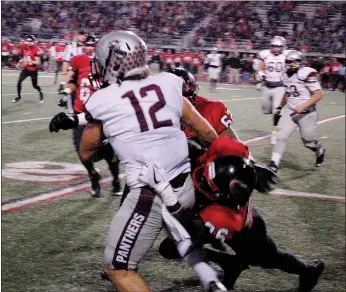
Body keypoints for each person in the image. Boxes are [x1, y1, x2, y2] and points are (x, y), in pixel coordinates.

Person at [78, 30, 227, 292]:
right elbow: (207, 134)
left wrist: (115, 140)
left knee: (118, 269)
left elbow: (86, 152)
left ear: (114, 63)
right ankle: (210, 275)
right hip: (186, 186)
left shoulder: (101, 100)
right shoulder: (169, 82)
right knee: (179, 237)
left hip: (151, 193)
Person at [159, 137, 325, 292]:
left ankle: (307, 270)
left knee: (268, 259)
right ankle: (230, 263)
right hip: (210, 217)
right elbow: (232, 146)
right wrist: (252, 165)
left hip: (243, 232)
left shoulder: (222, 214)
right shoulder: (221, 149)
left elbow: (188, 225)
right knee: (170, 247)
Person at [49, 35, 121, 198]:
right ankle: (93, 176)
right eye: (86, 45)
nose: (89, 48)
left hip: (102, 117)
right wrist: (67, 91)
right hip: (80, 114)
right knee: (83, 154)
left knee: (110, 154)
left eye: (92, 45)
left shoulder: (110, 65)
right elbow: (73, 81)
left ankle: (116, 180)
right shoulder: (79, 60)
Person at [268, 50, 326, 173]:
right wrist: (280, 107)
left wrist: (303, 106)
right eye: (288, 62)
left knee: (308, 141)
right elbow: (288, 93)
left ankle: (319, 150)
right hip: (290, 111)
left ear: (299, 63)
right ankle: (273, 164)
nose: (289, 65)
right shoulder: (284, 75)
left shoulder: (305, 73)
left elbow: (319, 95)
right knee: (280, 137)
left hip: (306, 113)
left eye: (292, 62)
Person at [257, 36, 290, 145]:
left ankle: (275, 134)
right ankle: (278, 115)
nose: (275, 48)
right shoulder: (266, 55)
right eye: (273, 46)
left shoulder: (286, 56)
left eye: (277, 46)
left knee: (277, 111)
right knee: (265, 110)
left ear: (282, 47)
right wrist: (262, 75)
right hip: (267, 86)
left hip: (280, 87)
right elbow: (260, 69)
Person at [13, 35, 44, 104]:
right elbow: (25, 57)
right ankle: (18, 96)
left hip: (33, 70)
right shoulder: (24, 47)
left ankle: (40, 92)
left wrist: (31, 61)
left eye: (31, 41)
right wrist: (19, 62)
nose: (29, 42)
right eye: (27, 41)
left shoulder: (36, 50)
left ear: (33, 42)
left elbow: (38, 63)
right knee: (19, 83)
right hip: (26, 69)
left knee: (35, 86)